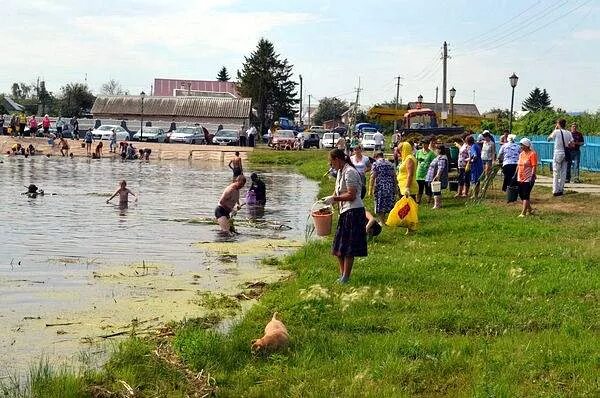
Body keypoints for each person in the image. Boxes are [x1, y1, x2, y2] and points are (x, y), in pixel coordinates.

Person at [322, 148, 367, 284]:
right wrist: (330, 201)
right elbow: (338, 191)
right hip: (344, 212)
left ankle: (346, 277)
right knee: (339, 247)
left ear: (337, 159)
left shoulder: (350, 172)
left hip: (353, 211)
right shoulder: (341, 171)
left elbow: (351, 195)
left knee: (348, 247)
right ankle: (342, 275)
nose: (331, 166)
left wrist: (335, 199)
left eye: (331, 163)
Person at [368, 151, 396, 223]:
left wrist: (370, 189)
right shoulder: (390, 164)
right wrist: (395, 187)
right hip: (390, 186)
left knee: (380, 203)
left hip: (380, 186)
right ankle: (389, 220)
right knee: (389, 203)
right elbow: (394, 176)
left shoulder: (375, 164)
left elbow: (372, 177)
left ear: (376, 156)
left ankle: (382, 221)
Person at [547, 118, 573, 196]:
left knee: (556, 172)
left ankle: (555, 190)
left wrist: (555, 129)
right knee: (563, 172)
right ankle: (561, 189)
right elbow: (572, 143)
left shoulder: (556, 131)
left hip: (558, 153)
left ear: (558, 124)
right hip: (565, 153)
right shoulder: (568, 133)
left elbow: (548, 139)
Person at [516, 138, 538, 217]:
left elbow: (534, 166)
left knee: (526, 195)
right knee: (521, 195)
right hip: (520, 177)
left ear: (526, 145)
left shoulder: (532, 154)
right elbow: (518, 165)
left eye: (522, 145)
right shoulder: (521, 154)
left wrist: (532, 176)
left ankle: (523, 212)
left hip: (528, 178)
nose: (520, 146)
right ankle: (530, 209)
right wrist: (515, 174)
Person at [425, 144, 449, 209]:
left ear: (440, 150)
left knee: (436, 191)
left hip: (437, 177)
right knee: (436, 190)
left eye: (436, 149)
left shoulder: (442, 158)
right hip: (433, 176)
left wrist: (437, 175)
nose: (435, 150)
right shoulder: (439, 157)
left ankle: (437, 205)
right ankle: (438, 204)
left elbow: (441, 167)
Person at [415, 139, 436, 204]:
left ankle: (429, 201)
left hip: (428, 173)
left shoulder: (431, 153)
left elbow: (434, 163)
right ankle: (418, 201)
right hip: (419, 173)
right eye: (423, 144)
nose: (424, 145)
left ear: (428, 144)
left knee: (428, 189)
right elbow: (416, 161)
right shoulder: (418, 152)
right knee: (419, 188)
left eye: (425, 144)